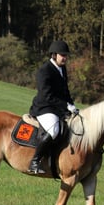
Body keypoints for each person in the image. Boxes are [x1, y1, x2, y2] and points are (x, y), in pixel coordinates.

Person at [28, 40, 78, 175]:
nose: (65, 58)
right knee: (54, 130)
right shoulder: (44, 71)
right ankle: (34, 162)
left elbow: (65, 91)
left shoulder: (62, 69)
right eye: (63, 55)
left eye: (66, 55)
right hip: (44, 107)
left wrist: (72, 105)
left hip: (57, 108)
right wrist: (65, 106)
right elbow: (47, 95)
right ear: (54, 55)